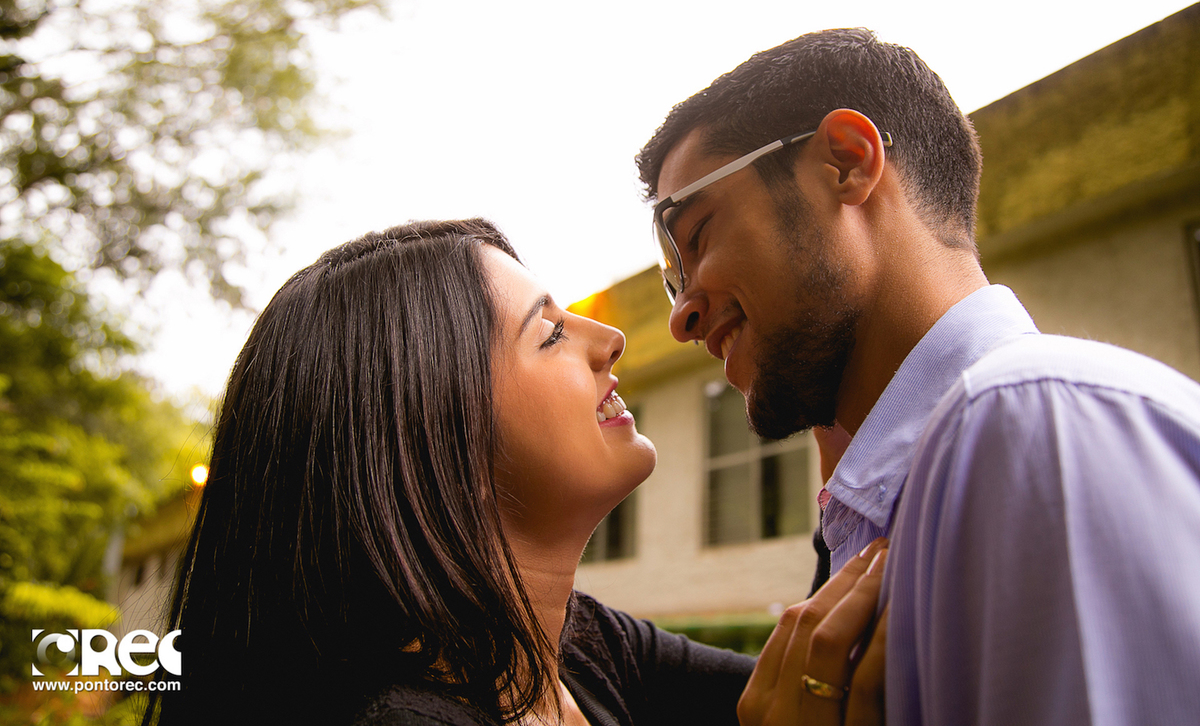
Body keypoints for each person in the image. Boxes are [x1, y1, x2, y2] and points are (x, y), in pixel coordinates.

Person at [636, 28, 1200, 724]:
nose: (681, 318)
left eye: (696, 237)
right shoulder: (911, 490)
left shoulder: (1029, 429)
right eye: (671, 282)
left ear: (847, 162)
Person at [141, 219, 886, 726]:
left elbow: (817, 680)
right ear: (436, 426)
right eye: (551, 332)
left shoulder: (580, 649)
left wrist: (845, 468)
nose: (612, 339)